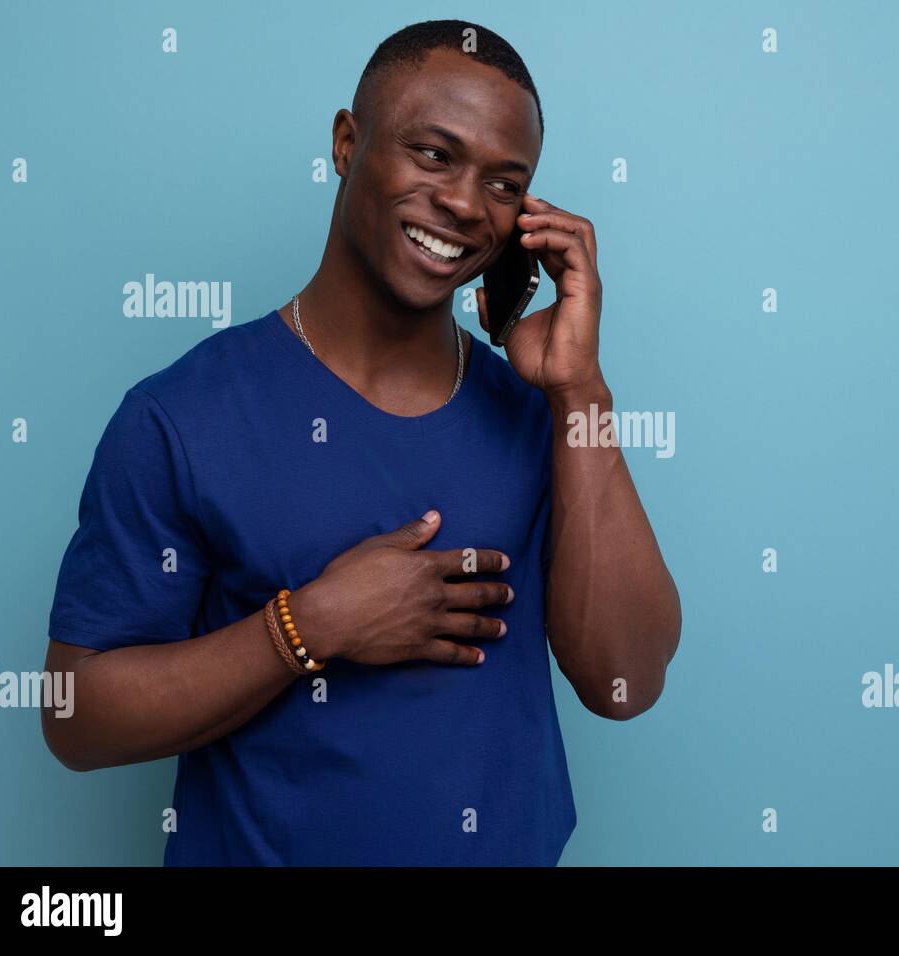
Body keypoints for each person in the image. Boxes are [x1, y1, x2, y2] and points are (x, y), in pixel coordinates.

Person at [41, 19, 681, 866]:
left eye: (502, 182)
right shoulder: (181, 417)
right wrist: (305, 627)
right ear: (347, 143)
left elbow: (623, 684)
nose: (462, 202)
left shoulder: (545, 414)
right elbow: (75, 716)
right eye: (433, 153)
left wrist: (579, 388)